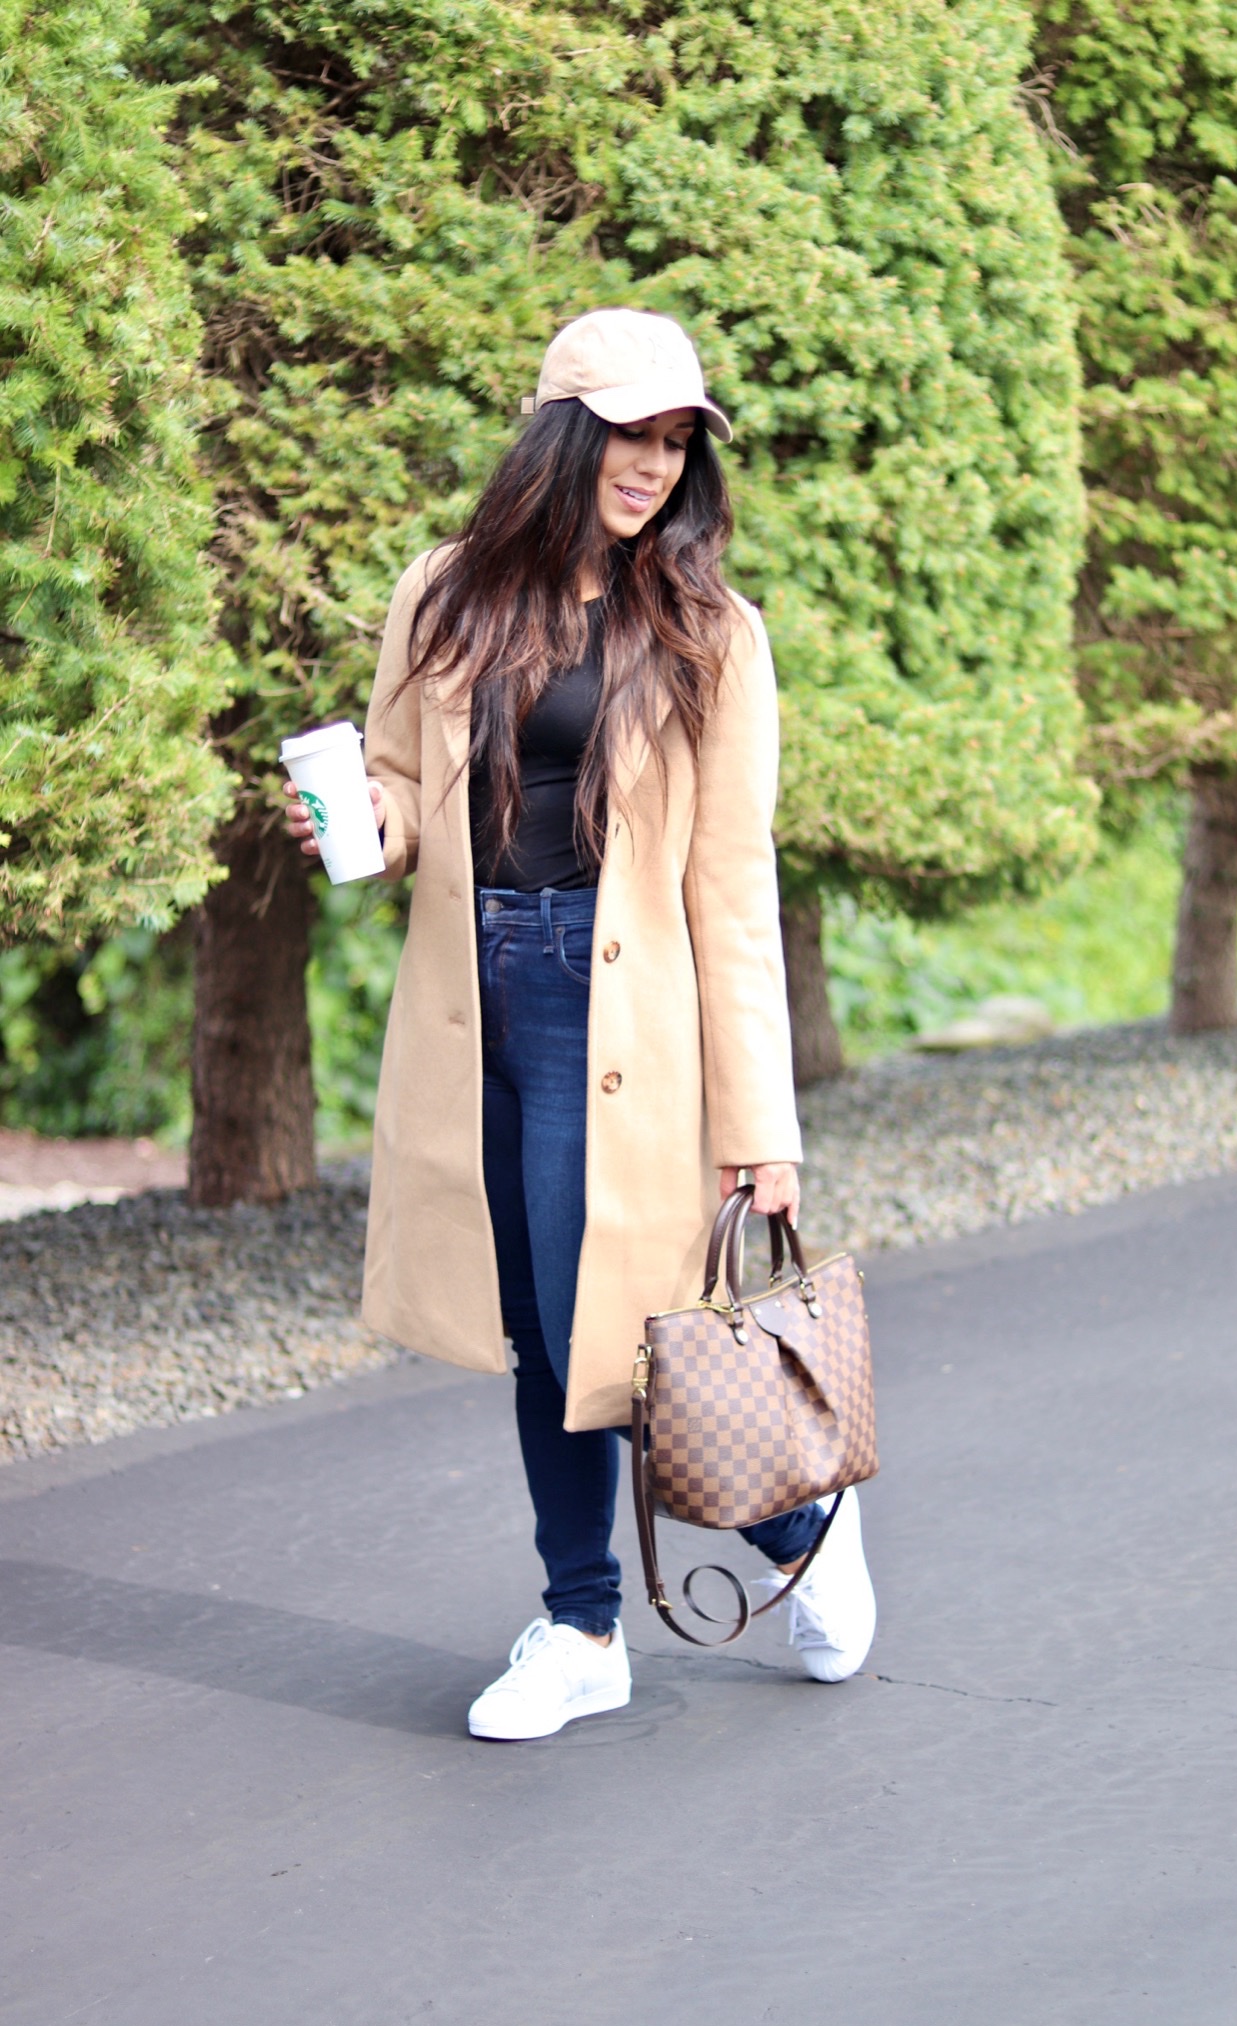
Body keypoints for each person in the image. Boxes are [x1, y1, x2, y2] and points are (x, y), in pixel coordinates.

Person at [284, 308, 876, 1740]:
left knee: (606, 1323)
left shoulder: (711, 633)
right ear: (562, 433)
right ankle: (582, 1624)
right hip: (467, 992)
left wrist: (760, 1127)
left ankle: (794, 1529)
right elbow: (401, 786)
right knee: (534, 1329)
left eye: (677, 440)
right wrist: (366, 818)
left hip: (612, 1009)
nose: (656, 465)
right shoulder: (442, 595)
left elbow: (735, 887)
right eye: (632, 432)